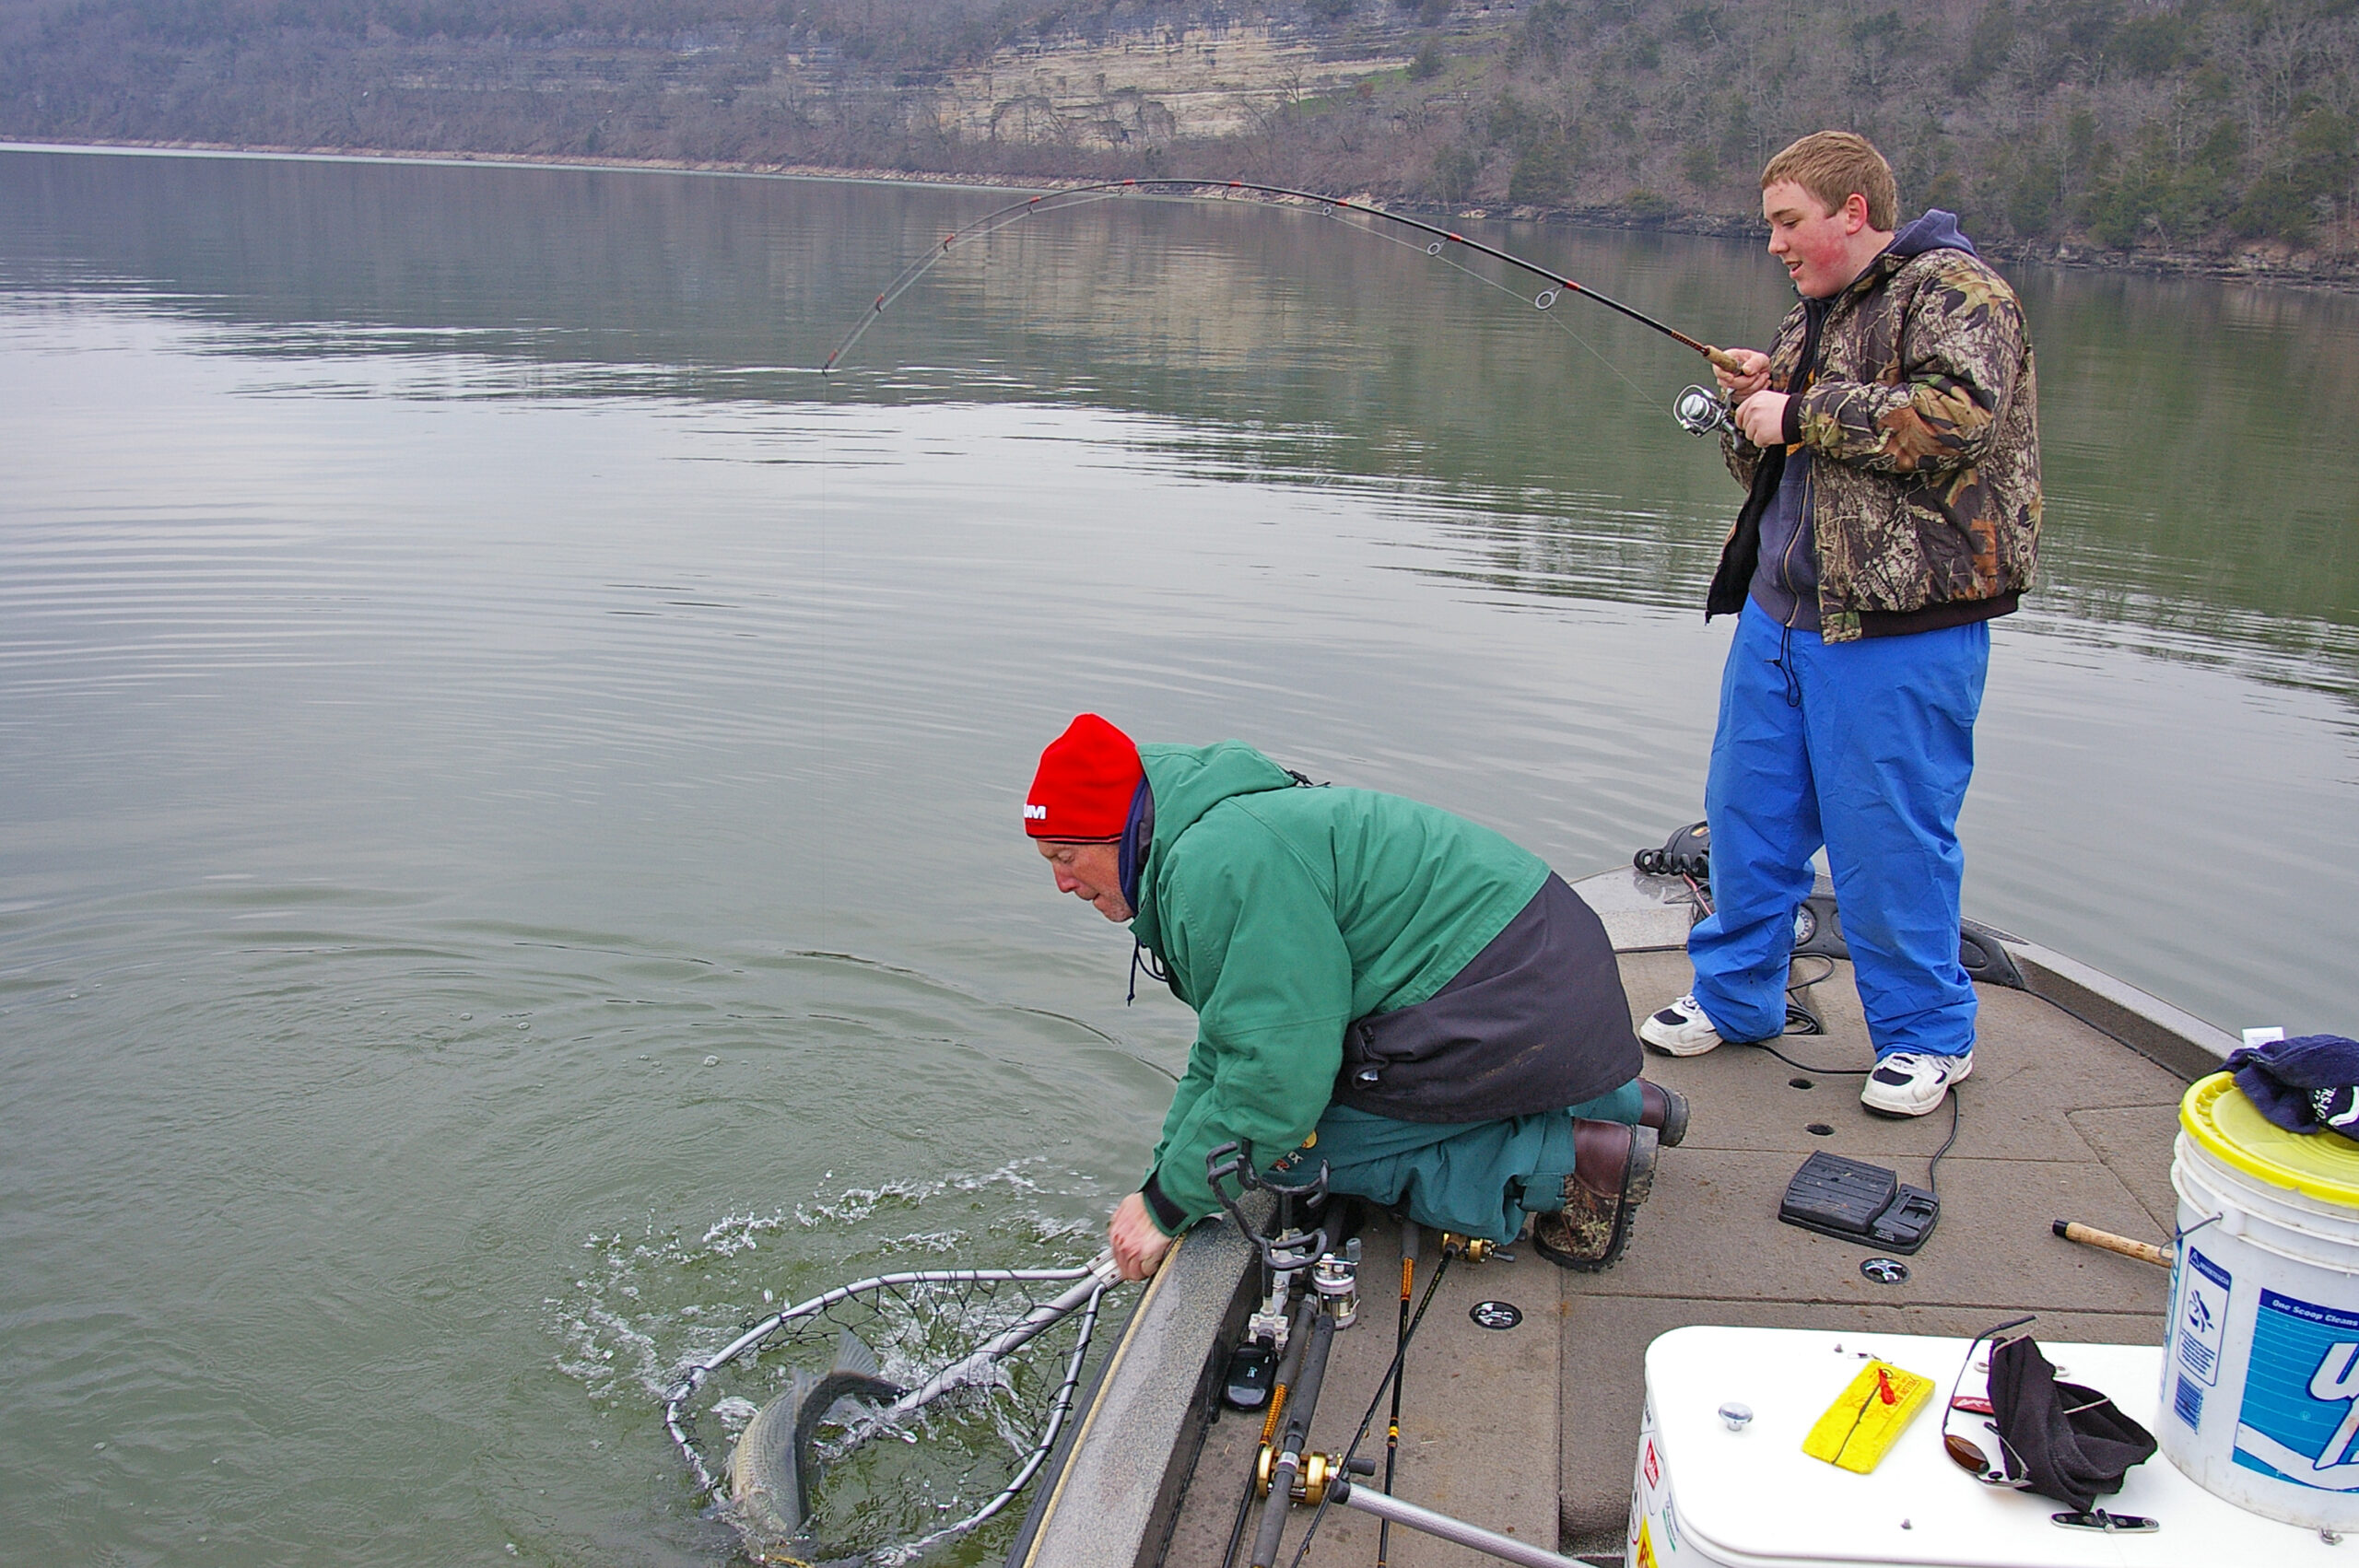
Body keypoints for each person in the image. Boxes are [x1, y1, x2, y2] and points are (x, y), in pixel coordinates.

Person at [1638, 131, 2040, 1118]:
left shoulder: (1959, 293)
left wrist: (1800, 409)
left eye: (1787, 222)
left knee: (1887, 837)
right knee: (1746, 820)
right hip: (1779, 617)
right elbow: (1780, 465)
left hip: (1900, 630)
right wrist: (1751, 409)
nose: (1773, 243)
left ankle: (1927, 1034)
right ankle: (1735, 997)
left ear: (1851, 211)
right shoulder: (1806, 318)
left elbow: (1953, 420)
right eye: (1768, 225)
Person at [1024, 713, 1686, 1282]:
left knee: (1285, 1156)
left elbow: (1276, 1083)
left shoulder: (1217, 868)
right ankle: (1629, 1104)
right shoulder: (1211, 833)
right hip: (1544, 968)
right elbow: (1232, 1042)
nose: (1060, 883)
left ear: (1121, 834)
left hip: (1511, 994)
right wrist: (1164, 1178)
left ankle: (1576, 1164)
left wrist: (1172, 1203)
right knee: (1246, 1135)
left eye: (1065, 856)